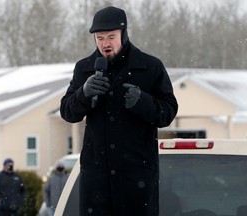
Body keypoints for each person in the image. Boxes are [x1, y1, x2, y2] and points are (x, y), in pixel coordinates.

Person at [60, 6, 178, 216]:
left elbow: (168, 112)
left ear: (123, 34)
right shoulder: (84, 68)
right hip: (96, 183)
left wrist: (143, 102)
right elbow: (68, 112)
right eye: (100, 37)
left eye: (111, 37)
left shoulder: (150, 67)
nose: (105, 43)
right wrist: (83, 93)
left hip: (136, 181)